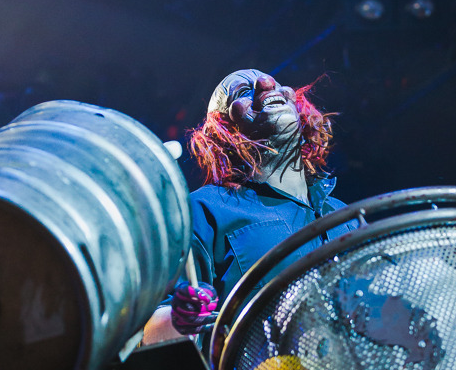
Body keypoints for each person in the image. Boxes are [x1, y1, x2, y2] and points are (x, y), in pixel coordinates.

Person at [143, 67, 356, 345]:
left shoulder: (346, 216)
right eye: (244, 92)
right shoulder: (205, 210)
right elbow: (151, 332)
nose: (268, 85)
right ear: (223, 129)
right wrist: (180, 320)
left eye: (279, 84)